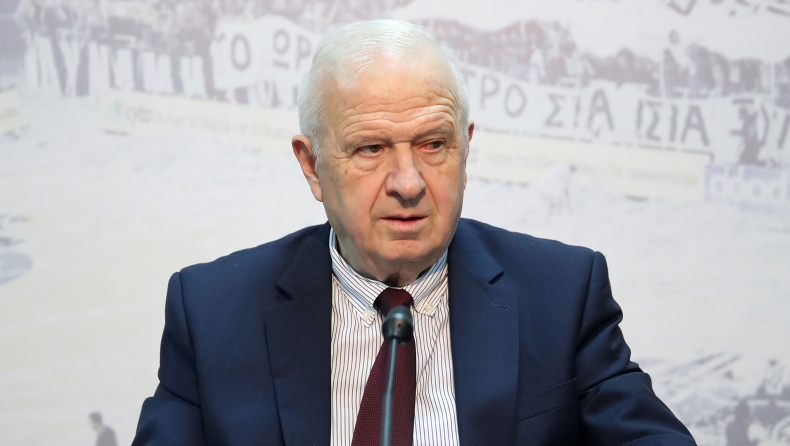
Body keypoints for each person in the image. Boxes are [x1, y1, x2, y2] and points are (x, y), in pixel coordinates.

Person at [132, 20, 696, 445]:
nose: (408, 183)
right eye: (370, 148)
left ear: (465, 149)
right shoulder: (212, 311)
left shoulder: (563, 292)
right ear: (312, 166)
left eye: (433, 144)